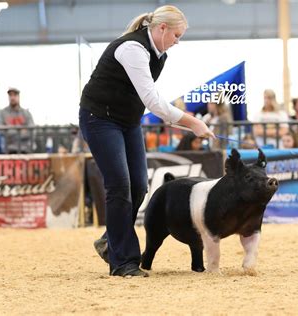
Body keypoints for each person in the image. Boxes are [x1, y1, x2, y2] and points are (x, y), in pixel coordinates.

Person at [78, 6, 214, 278]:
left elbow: (146, 99)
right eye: (176, 35)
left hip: (127, 121)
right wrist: (193, 123)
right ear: (161, 28)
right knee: (119, 185)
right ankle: (123, 262)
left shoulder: (158, 53)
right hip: (100, 119)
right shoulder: (132, 49)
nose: (178, 41)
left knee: (139, 185)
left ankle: (109, 241)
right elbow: (153, 102)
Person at [0, 87, 35, 153]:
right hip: (8, 150)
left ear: (18, 96)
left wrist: (9, 130)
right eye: (10, 95)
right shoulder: (1, 113)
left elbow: (32, 131)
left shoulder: (26, 113)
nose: (12, 97)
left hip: (26, 149)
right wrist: (22, 131)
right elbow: (0, 131)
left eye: (15, 95)